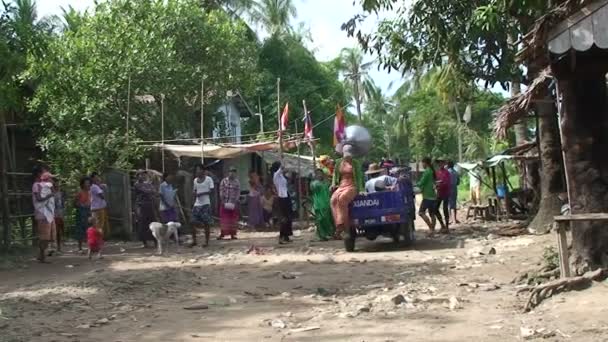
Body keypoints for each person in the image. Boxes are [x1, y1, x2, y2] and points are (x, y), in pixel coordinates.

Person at [330, 144, 364, 239]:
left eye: (349, 156)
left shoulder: (356, 163)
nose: (348, 157)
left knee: (342, 199)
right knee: (333, 200)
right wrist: (333, 184)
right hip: (341, 185)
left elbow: (359, 177)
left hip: (352, 185)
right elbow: (335, 175)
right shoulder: (338, 162)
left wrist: (361, 189)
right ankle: (338, 225)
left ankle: (345, 227)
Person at [32, 167, 55, 263]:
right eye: (44, 172)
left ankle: (41, 255)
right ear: (39, 174)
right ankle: (42, 257)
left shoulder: (43, 185)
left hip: (47, 213)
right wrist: (49, 195)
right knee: (44, 237)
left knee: (46, 236)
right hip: (42, 213)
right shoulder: (36, 185)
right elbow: (39, 199)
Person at [133, 170, 157, 248]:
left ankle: (155, 241)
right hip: (141, 206)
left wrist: (150, 190)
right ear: (137, 176)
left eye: (144, 175)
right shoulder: (137, 184)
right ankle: (144, 243)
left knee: (153, 223)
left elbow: (154, 190)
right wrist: (150, 190)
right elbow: (146, 191)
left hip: (149, 205)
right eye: (141, 175)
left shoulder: (147, 184)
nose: (143, 176)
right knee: (142, 224)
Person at [192, 165, 214, 246]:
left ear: (203, 171)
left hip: (206, 203)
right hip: (197, 203)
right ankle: (194, 241)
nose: (197, 172)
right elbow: (194, 190)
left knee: (206, 223)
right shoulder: (195, 180)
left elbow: (212, 190)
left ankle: (206, 242)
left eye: (198, 170)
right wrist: (194, 193)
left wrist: (202, 193)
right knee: (192, 222)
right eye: (196, 170)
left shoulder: (208, 179)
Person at [310, 168, 335, 241]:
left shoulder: (326, 183)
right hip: (318, 204)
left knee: (328, 220)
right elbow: (313, 189)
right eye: (318, 174)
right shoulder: (314, 183)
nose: (319, 175)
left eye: (321, 174)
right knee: (320, 220)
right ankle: (321, 236)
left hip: (327, 204)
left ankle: (328, 234)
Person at [272, 161, 293, 243]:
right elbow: (281, 169)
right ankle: (281, 237)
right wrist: (283, 161)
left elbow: (288, 175)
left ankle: (286, 236)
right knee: (284, 218)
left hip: (286, 196)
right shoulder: (276, 176)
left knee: (288, 217)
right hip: (281, 197)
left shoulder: (281, 176)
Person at [417, 157, 438, 237]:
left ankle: (431, 228)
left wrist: (415, 185)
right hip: (433, 195)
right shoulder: (432, 171)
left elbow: (421, 182)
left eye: (422, 163)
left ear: (426, 163)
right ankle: (432, 230)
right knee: (432, 214)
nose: (422, 165)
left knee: (421, 212)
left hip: (427, 196)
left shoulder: (427, 172)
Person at [218, 166, 240, 240]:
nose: (232, 173)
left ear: (235, 173)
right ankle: (222, 233)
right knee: (224, 219)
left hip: (233, 203)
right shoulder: (224, 181)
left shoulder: (237, 182)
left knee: (233, 219)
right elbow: (221, 190)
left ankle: (233, 234)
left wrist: (236, 201)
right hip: (224, 202)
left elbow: (238, 192)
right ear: (228, 172)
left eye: (233, 172)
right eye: (231, 171)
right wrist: (222, 200)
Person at [74, 177, 92, 253]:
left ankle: (90, 247)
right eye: (86, 183)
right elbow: (75, 203)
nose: (87, 184)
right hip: (81, 212)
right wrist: (82, 205)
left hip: (89, 211)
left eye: (88, 183)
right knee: (80, 229)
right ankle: (80, 248)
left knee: (89, 229)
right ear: (82, 184)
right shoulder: (80, 192)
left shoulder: (90, 192)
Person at [90, 172, 110, 238]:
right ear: (92, 178)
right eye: (95, 177)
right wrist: (102, 188)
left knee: (98, 225)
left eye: (97, 177)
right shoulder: (95, 187)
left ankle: (98, 240)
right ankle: (97, 240)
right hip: (98, 209)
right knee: (99, 226)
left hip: (96, 208)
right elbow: (102, 196)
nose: (97, 179)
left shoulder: (93, 186)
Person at [434, 159, 451, 233]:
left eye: (441, 163)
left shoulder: (447, 173)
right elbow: (434, 181)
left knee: (445, 209)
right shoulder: (437, 172)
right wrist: (436, 184)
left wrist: (440, 183)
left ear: (444, 164)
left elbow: (447, 183)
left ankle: (447, 227)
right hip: (439, 193)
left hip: (446, 193)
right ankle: (442, 224)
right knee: (435, 209)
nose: (440, 164)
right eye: (439, 163)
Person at [53, 178, 66, 254]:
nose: (57, 185)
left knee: (60, 231)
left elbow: (63, 203)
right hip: (54, 214)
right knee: (56, 231)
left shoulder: (61, 193)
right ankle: (54, 247)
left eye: (58, 184)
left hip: (60, 213)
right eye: (56, 184)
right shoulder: (52, 193)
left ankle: (59, 247)